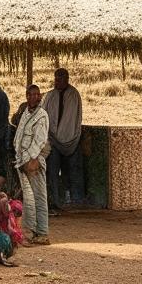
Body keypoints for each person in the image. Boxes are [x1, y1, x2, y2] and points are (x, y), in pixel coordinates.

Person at [42, 68, 83, 212]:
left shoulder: (73, 95)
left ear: (67, 79)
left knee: (73, 170)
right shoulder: (50, 95)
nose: (57, 82)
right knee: (53, 171)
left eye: (60, 79)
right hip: (53, 140)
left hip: (71, 138)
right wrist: (52, 135)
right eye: (56, 79)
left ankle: (76, 200)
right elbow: (44, 114)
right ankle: (55, 199)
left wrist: (66, 136)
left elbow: (72, 118)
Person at [14, 84, 50, 245]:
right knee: (29, 199)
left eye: (36, 94)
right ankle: (32, 231)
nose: (33, 97)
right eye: (30, 94)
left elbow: (40, 140)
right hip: (23, 161)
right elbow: (19, 136)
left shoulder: (41, 115)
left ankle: (42, 232)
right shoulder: (26, 113)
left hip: (33, 161)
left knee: (39, 197)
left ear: (40, 96)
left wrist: (28, 158)